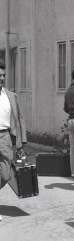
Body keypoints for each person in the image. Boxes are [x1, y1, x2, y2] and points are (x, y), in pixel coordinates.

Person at [0, 63, 27, 220]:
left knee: (5, 173)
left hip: (5, 137)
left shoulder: (10, 95)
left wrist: (21, 141)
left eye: (4, 75)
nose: (2, 78)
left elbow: (19, 118)